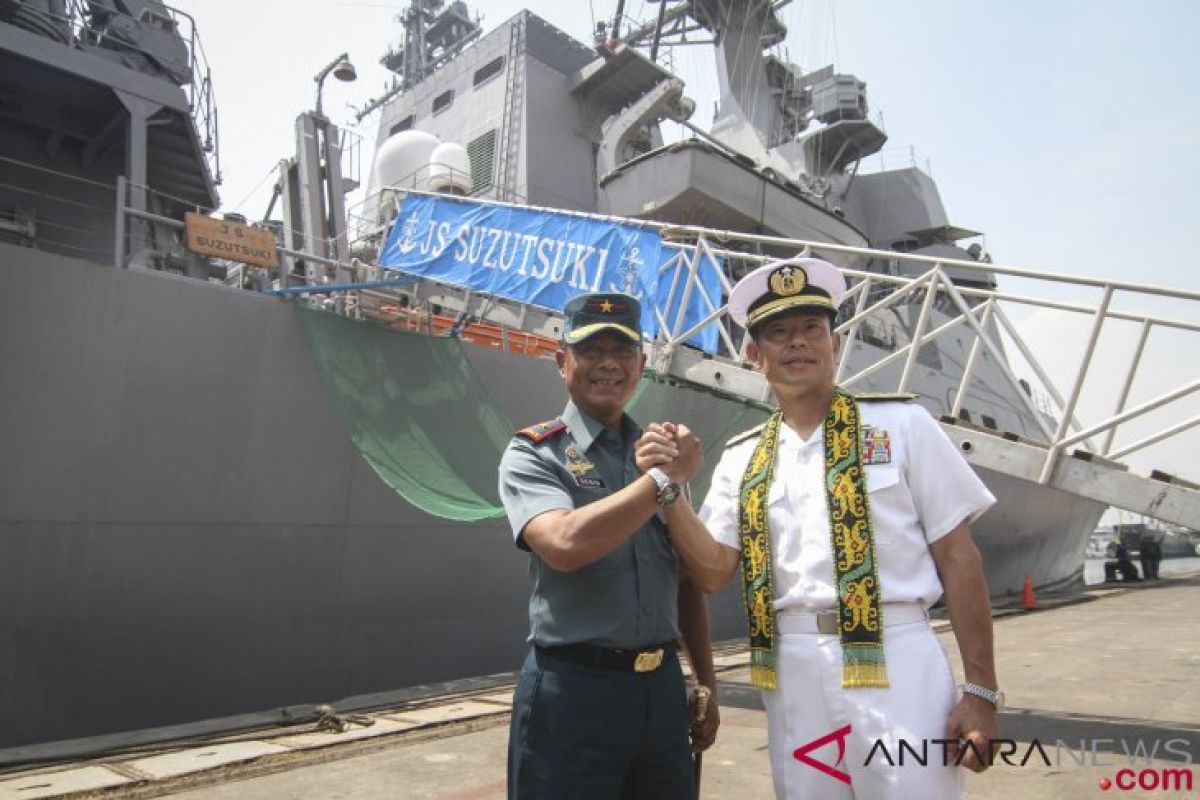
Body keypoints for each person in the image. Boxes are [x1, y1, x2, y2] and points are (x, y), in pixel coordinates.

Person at [636, 257, 1002, 799]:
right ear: (755, 355)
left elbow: (958, 556)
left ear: (835, 342)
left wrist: (981, 692)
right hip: (793, 668)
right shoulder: (743, 458)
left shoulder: (903, 426)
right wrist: (668, 489)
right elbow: (711, 572)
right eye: (778, 333)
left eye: (812, 327)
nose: (798, 343)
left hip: (898, 657)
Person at [497, 292, 719, 799]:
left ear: (641, 364)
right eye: (591, 350)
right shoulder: (536, 453)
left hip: (662, 691)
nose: (609, 364)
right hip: (575, 693)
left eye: (622, 351)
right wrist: (663, 481)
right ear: (562, 362)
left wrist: (705, 683)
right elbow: (563, 544)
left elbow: (687, 580)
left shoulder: (660, 452)